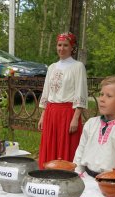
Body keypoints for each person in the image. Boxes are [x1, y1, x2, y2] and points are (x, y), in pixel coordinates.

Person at [38, 32, 88, 168]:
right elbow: (46, 92)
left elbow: (81, 92)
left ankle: (65, 176)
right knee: (50, 144)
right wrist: (43, 115)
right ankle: (47, 175)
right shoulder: (52, 67)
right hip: (51, 113)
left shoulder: (78, 66)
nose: (62, 48)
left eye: (66, 45)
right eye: (59, 45)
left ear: (72, 47)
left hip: (68, 113)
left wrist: (75, 117)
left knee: (66, 146)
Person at [73, 76, 115, 178]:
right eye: (101, 94)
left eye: (108, 96)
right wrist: (77, 171)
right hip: (85, 178)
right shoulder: (91, 123)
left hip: (110, 182)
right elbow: (81, 149)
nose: (102, 99)